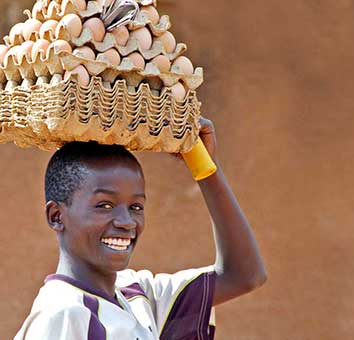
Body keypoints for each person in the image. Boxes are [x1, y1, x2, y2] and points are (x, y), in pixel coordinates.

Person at [14, 117, 267, 340]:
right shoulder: (64, 315)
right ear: (56, 216)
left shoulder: (136, 294)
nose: (126, 221)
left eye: (136, 207)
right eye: (104, 205)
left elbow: (243, 276)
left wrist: (205, 167)